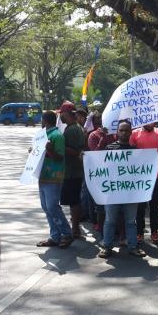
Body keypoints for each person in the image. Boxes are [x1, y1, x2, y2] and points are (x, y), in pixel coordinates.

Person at [98, 121, 147, 258]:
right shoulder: (109, 149)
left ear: (131, 132)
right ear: (117, 132)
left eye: (127, 130)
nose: (124, 133)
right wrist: (86, 158)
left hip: (130, 193)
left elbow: (140, 171)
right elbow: (100, 165)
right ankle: (107, 247)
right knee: (110, 221)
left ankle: (133, 246)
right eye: (121, 130)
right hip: (112, 192)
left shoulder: (135, 151)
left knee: (131, 221)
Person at [36, 111, 75, 249]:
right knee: (46, 207)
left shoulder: (57, 136)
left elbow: (59, 157)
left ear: (44, 120)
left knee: (52, 206)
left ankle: (66, 233)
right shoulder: (42, 135)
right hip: (42, 176)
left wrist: (49, 150)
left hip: (53, 176)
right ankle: (55, 236)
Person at [130, 117, 158, 244]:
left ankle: (154, 232)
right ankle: (139, 232)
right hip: (139, 175)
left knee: (155, 206)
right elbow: (129, 151)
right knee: (140, 207)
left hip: (156, 175)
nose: (149, 122)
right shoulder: (134, 133)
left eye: (152, 120)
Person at [59, 102, 87, 238]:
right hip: (73, 171)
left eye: (62, 113)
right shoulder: (74, 127)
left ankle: (75, 229)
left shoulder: (72, 130)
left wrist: (59, 146)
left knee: (74, 201)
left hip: (73, 172)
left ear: (67, 114)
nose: (60, 116)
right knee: (73, 201)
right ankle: (75, 227)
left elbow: (76, 151)